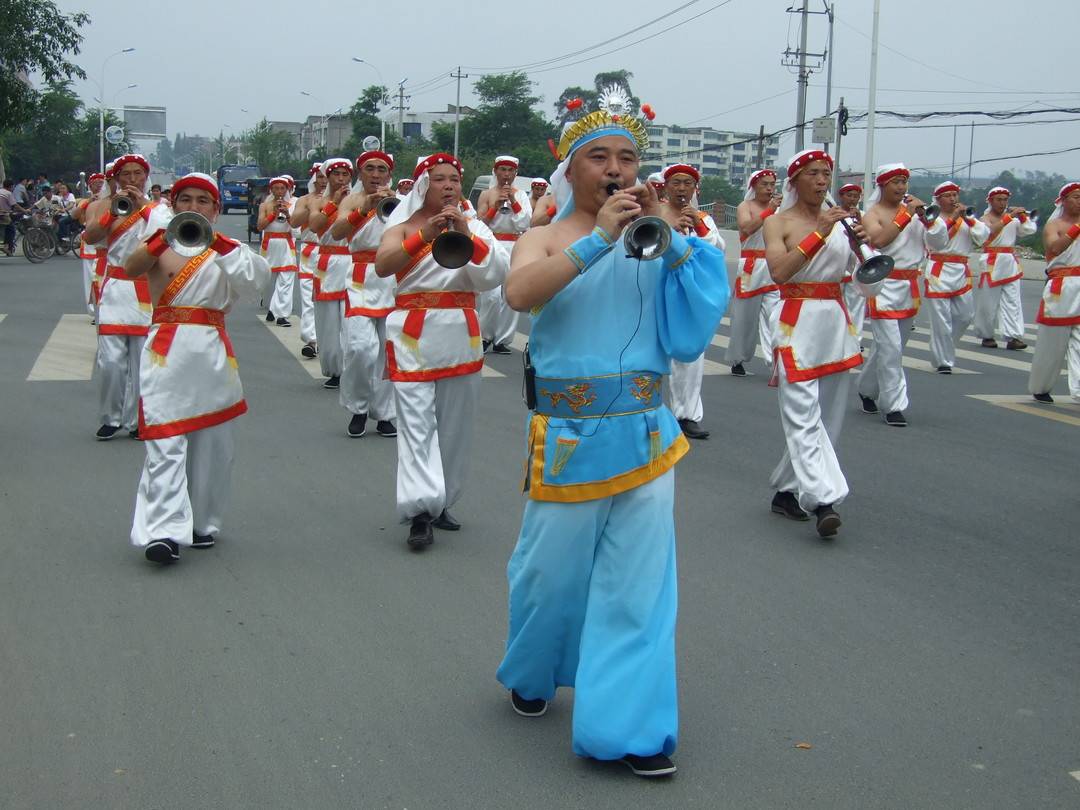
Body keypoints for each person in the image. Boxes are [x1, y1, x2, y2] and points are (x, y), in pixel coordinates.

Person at [493, 105, 727, 779]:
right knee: (547, 574)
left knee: (639, 586)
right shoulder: (543, 235)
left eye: (627, 158)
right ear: (571, 168)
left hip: (648, 436)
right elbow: (519, 292)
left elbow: (705, 303)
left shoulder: (657, 240)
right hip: (566, 438)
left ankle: (630, 730)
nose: (617, 169)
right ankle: (536, 670)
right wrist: (596, 238)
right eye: (600, 157)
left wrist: (669, 235)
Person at [123, 172, 271, 564]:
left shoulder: (230, 249)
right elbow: (129, 267)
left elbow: (258, 282)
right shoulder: (158, 244)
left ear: (216, 209)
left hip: (211, 353)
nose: (192, 207)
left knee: (213, 444)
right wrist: (158, 238)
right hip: (166, 352)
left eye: (202, 201)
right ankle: (163, 531)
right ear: (173, 204)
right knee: (165, 440)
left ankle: (203, 521)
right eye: (184, 200)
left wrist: (221, 245)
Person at [374, 153, 508, 549]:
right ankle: (419, 510)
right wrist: (424, 236)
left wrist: (466, 233)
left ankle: (443, 500)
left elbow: (495, 275)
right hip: (412, 335)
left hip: (460, 334)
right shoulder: (400, 225)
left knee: (454, 427)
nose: (449, 185)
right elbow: (383, 266)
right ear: (422, 185)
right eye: (439, 179)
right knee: (416, 426)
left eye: (453, 179)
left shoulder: (475, 225)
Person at [764, 149, 878, 538]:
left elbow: (865, 282)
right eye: (812, 173)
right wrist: (821, 234)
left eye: (826, 173)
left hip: (835, 323)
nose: (821, 180)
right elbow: (780, 273)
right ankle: (824, 499)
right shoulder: (777, 222)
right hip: (797, 322)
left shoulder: (846, 224)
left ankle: (786, 490)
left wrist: (865, 247)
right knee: (802, 415)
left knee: (827, 420)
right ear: (794, 181)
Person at [857, 164, 947, 426]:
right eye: (895, 182)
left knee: (890, 348)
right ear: (882, 185)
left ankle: (866, 387)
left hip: (910, 287)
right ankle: (894, 406)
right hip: (884, 285)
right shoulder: (872, 213)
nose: (901, 187)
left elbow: (938, 243)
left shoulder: (917, 215)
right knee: (892, 348)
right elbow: (879, 240)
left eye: (904, 182)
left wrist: (930, 220)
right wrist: (905, 216)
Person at [83, 154, 161, 440]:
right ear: (115, 178)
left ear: (145, 176)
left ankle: (138, 419)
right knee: (111, 361)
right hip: (115, 287)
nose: (131, 179)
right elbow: (90, 237)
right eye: (125, 174)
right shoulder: (102, 205)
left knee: (144, 360)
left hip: (146, 290)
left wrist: (145, 209)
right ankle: (110, 417)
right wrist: (112, 213)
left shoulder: (157, 210)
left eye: (137, 173)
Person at [330, 146, 398, 439]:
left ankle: (384, 414)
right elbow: (337, 232)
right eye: (370, 168)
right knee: (359, 347)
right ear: (361, 172)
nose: (376, 174)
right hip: (360, 279)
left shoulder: (402, 202)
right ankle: (358, 407)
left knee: (388, 350)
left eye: (381, 169)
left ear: (389, 174)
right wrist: (366, 207)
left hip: (393, 279)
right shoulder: (351, 200)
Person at [659, 162, 725, 440]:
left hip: (689, 289)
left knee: (691, 351)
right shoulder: (657, 213)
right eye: (677, 182)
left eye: (688, 183)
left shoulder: (703, 218)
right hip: (659, 285)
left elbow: (717, 248)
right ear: (666, 186)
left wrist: (696, 224)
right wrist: (671, 228)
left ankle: (686, 415)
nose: (682, 188)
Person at [924, 181, 989, 373]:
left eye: (955, 195)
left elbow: (982, 237)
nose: (953, 199)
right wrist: (952, 218)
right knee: (941, 319)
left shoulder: (966, 218)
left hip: (961, 269)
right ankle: (943, 361)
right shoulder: (933, 217)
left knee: (965, 315)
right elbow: (935, 240)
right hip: (939, 269)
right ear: (938, 199)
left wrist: (969, 220)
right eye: (947, 195)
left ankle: (943, 346)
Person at [1028, 181, 1080, 404]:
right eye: (1076, 196)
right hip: (1061, 287)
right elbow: (1055, 248)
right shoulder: (1054, 224)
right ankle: (1041, 386)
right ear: (1064, 200)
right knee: (1053, 344)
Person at [727, 169, 781, 377]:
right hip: (750, 267)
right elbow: (746, 227)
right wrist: (769, 211)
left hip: (773, 265)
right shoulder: (745, 206)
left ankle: (775, 361)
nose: (769, 188)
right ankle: (738, 358)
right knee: (744, 319)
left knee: (775, 317)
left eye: (772, 185)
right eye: (764, 184)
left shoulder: (780, 210)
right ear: (754, 187)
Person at [308, 157, 355, 388]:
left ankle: (351, 368)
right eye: (336, 174)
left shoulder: (360, 200)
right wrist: (333, 203)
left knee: (351, 320)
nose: (341, 179)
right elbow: (314, 226)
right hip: (327, 263)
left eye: (345, 175)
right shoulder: (319, 201)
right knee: (328, 321)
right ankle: (334, 369)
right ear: (328, 177)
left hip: (353, 263)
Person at [477, 155, 532, 354]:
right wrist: (495, 207)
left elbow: (524, 223)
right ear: (496, 171)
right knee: (490, 295)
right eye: (503, 170)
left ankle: (502, 339)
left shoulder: (522, 196)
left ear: (515, 173)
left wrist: (513, 202)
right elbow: (480, 223)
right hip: (493, 243)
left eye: (510, 170)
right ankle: (484, 335)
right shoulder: (486, 194)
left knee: (509, 295)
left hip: (514, 245)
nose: (506, 174)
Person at [974, 186, 1037, 350]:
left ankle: (1013, 336)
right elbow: (989, 232)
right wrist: (1010, 217)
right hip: (991, 262)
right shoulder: (984, 218)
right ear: (991, 201)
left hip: (1010, 262)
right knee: (989, 302)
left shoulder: (1013, 220)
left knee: (1013, 301)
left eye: (1005, 200)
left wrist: (1023, 217)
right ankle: (987, 335)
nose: (1002, 203)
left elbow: (1029, 230)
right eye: (999, 199)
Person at [289, 163, 325, 358]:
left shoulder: (344, 200)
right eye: (320, 177)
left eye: (326, 176)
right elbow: (294, 222)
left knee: (330, 300)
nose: (323, 181)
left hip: (333, 255)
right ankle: (311, 339)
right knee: (307, 296)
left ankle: (328, 341)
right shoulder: (303, 199)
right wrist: (312, 205)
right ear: (314, 179)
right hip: (309, 251)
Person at [259, 176, 298, 327]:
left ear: (287, 190)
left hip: (286, 245)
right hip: (269, 245)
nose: (279, 191)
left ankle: (281, 315)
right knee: (268, 281)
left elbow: (296, 228)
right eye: (276, 188)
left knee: (287, 280)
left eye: (283, 188)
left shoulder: (293, 205)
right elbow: (260, 226)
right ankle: (271, 308)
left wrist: (287, 214)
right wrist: (273, 214)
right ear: (271, 190)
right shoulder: (264, 205)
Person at [836, 183, 867, 342]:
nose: (853, 199)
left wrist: (859, 220)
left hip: (855, 266)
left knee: (856, 306)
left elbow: (868, 238)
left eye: (856, 196)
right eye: (849, 195)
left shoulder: (862, 214)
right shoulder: (833, 215)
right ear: (841, 196)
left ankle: (856, 340)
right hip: (838, 269)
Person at [73, 172, 107, 316]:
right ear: (90, 185)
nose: (99, 184)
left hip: (105, 243)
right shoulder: (84, 200)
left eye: (101, 182)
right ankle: (93, 311)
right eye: (96, 182)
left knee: (104, 277)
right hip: (89, 244)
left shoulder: (109, 199)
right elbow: (74, 215)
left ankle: (104, 308)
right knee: (90, 279)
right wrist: (89, 201)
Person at [0, 178, 28, 255]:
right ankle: (7, 246)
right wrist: (24, 210)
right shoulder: (8, 193)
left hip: (4, 213)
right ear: (11, 186)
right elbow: (15, 205)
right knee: (11, 229)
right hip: (3, 215)